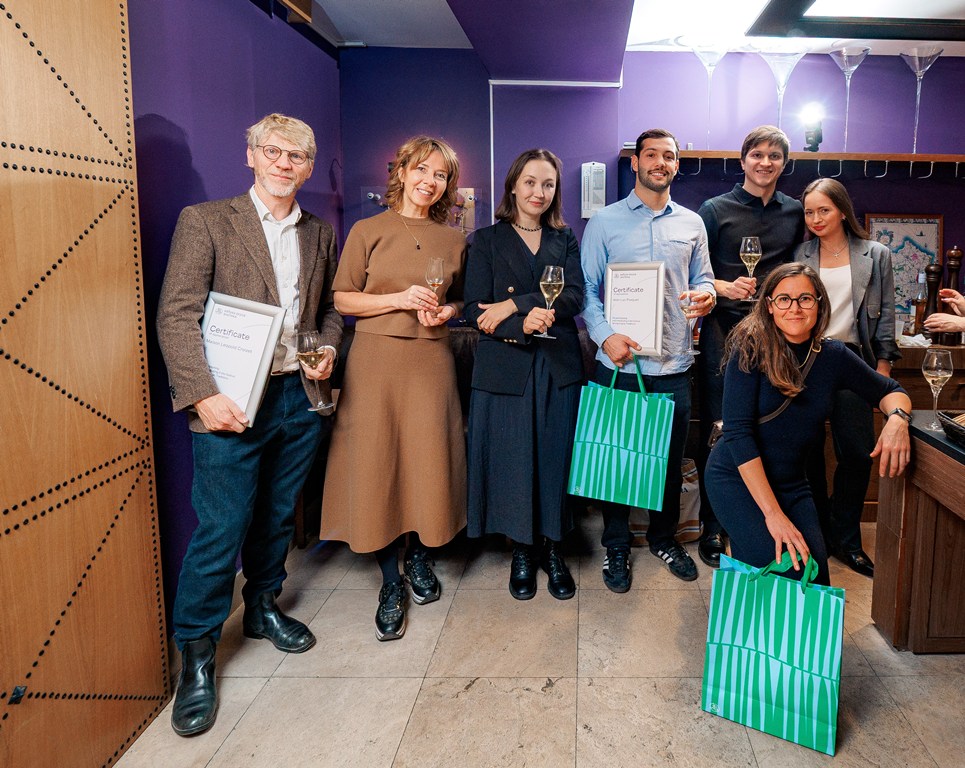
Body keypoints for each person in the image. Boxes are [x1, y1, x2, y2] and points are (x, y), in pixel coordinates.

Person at [156, 113, 341, 736]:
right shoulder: (206, 221)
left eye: (298, 155)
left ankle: (262, 608)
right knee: (221, 529)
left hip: (298, 397)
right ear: (252, 156)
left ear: (308, 167)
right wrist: (202, 396)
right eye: (273, 151)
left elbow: (327, 313)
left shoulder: (319, 233)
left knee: (276, 517)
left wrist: (328, 349)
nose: (285, 163)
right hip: (230, 402)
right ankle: (197, 657)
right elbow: (176, 315)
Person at [321, 135, 467, 641]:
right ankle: (390, 579)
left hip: (432, 360)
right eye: (422, 169)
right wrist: (399, 299)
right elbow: (342, 300)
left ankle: (421, 557)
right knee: (377, 461)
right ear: (401, 171)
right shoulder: (367, 230)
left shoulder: (455, 239)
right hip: (375, 361)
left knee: (428, 460)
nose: (430, 181)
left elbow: (462, 302)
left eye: (441, 175)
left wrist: (446, 311)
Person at [705, 263, 912, 586]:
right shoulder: (750, 348)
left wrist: (898, 419)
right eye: (784, 299)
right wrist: (774, 516)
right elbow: (739, 434)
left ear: (819, 304)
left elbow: (891, 391)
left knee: (815, 579)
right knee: (785, 570)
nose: (795, 308)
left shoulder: (834, 356)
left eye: (805, 298)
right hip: (737, 479)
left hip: (792, 483)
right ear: (769, 306)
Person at [581, 128, 716, 590]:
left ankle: (663, 538)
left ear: (677, 165)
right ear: (635, 162)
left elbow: (705, 280)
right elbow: (586, 291)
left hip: (675, 363)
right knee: (615, 462)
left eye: (670, 156)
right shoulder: (605, 222)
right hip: (619, 363)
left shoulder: (692, 224)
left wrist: (706, 295)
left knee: (668, 462)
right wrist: (605, 337)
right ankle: (616, 545)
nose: (661, 162)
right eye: (652, 154)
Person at [464, 149, 584, 600]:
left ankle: (554, 549)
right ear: (513, 185)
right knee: (513, 463)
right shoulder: (485, 240)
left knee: (556, 460)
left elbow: (574, 297)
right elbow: (475, 308)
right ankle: (522, 550)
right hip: (505, 366)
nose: (539, 192)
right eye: (530, 182)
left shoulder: (564, 238)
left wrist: (516, 303)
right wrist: (522, 325)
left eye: (548, 184)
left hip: (557, 365)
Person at [695, 126, 806, 568]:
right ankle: (712, 525)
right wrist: (724, 287)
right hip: (723, 334)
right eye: (757, 154)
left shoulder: (795, 212)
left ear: (784, 164)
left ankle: (761, 521)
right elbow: (693, 271)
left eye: (774, 156)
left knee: (768, 430)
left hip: (776, 337)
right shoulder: (714, 210)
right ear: (742, 161)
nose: (765, 162)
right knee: (720, 430)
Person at [795, 178, 900, 577]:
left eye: (823, 210)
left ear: (842, 210)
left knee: (857, 452)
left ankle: (848, 540)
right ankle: (818, 534)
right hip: (807, 359)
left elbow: (886, 316)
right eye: (809, 212)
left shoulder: (876, 254)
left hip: (854, 360)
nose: (816, 219)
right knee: (807, 455)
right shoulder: (802, 253)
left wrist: (882, 371)